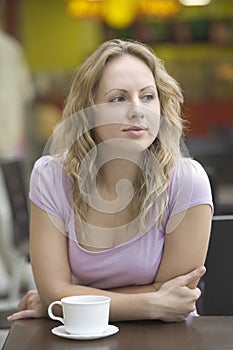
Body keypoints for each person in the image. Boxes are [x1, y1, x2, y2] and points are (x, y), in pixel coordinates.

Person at [7, 39, 213, 323]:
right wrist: (149, 303)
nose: (137, 109)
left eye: (148, 96)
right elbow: (54, 291)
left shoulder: (187, 180)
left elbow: (174, 297)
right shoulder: (51, 176)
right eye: (118, 98)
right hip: (81, 337)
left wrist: (70, 300)